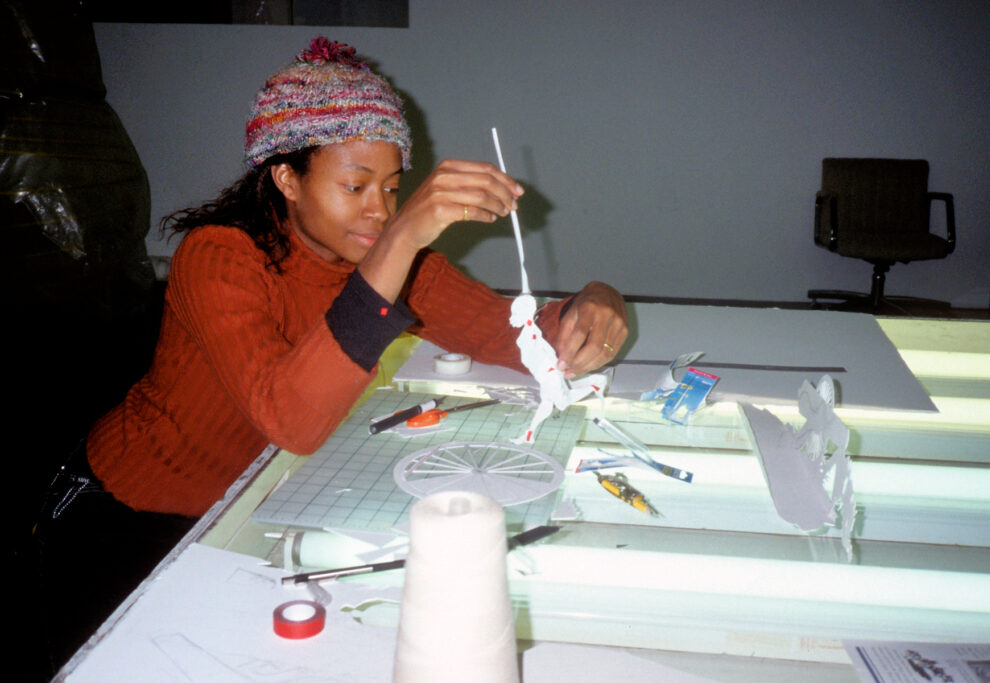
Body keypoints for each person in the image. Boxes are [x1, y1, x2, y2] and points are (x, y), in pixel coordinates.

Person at [32, 36, 628, 674]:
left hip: (251, 506)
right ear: (287, 178)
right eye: (356, 185)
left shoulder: (393, 262)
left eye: (393, 189)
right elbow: (289, 416)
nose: (379, 211)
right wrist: (397, 242)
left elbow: (504, 332)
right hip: (130, 512)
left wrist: (589, 303)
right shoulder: (219, 257)